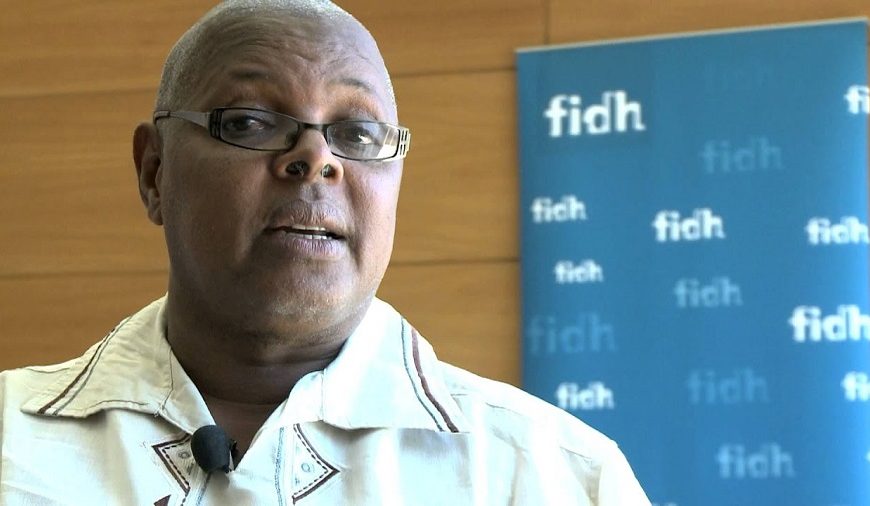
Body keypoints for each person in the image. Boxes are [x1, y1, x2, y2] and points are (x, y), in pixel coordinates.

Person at [0, 1, 650, 504]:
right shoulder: (13, 443)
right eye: (249, 122)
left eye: (357, 133)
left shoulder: (558, 476)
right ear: (154, 173)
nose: (315, 159)